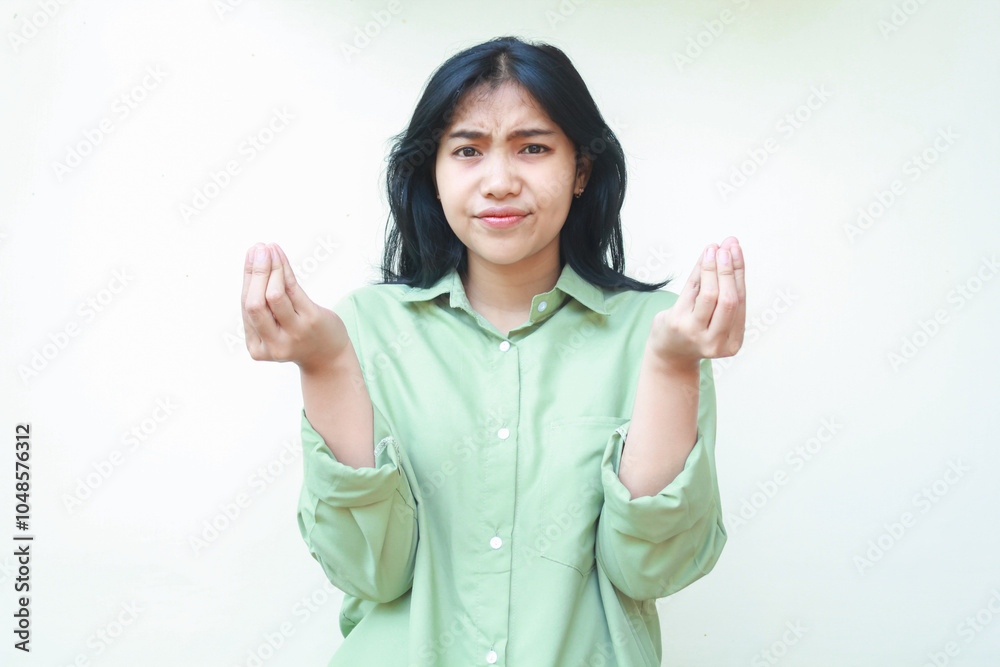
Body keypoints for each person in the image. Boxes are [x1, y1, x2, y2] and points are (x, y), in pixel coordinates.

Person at [241, 35, 745, 667]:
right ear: (433, 170)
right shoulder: (363, 329)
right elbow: (372, 572)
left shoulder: (659, 334)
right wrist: (326, 366)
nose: (500, 181)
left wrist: (671, 367)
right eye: (468, 151)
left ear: (582, 168)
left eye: (533, 148)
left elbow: (651, 569)